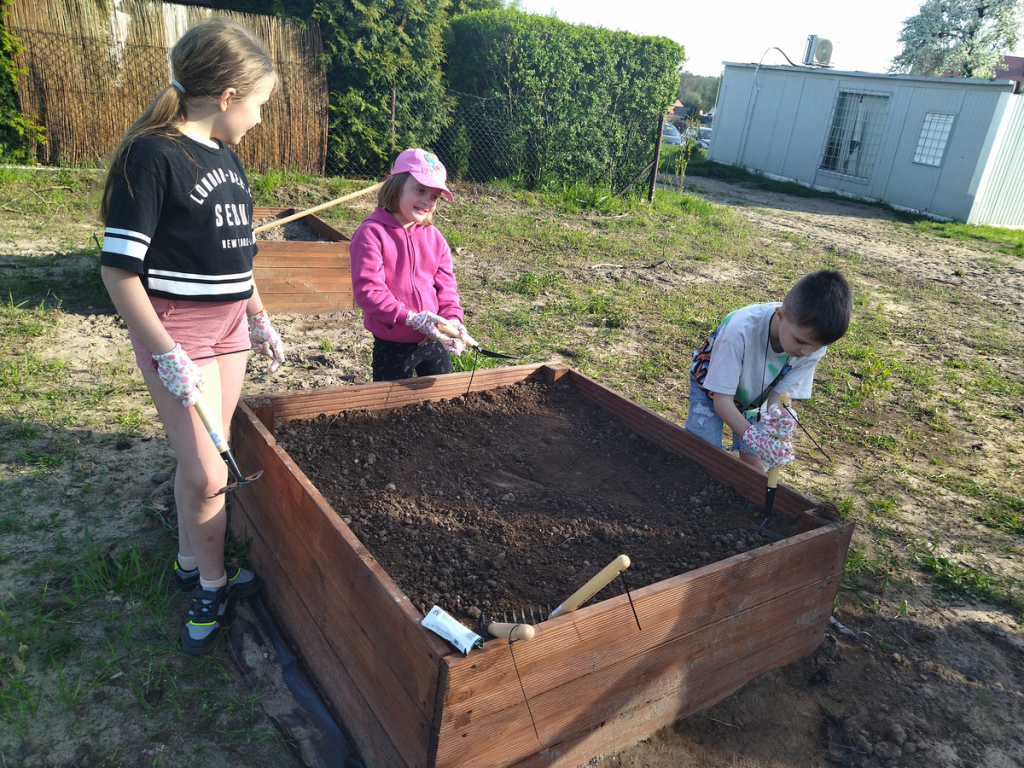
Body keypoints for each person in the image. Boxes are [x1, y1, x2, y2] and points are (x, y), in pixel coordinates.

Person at [99, 17, 286, 656]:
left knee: (203, 461)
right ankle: (213, 582)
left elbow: (239, 255)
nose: (261, 118)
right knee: (211, 476)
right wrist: (165, 352)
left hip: (230, 327)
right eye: (259, 103)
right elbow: (118, 272)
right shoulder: (152, 156)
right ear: (228, 96)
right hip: (176, 330)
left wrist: (258, 315)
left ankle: (188, 558)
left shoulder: (227, 158)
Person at [685, 270, 853, 472]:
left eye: (816, 347)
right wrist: (753, 436)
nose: (807, 353)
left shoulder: (811, 345)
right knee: (703, 454)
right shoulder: (739, 333)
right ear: (780, 315)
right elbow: (722, 402)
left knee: (756, 460)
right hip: (711, 390)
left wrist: (780, 416)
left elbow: (779, 397)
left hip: (758, 396)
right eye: (800, 341)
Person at [349, 148, 476, 382]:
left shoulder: (435, 238)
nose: (426, 201)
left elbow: (446, 288)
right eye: (420, 190)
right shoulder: (370, 234)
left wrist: (452, 320)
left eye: (434, 196)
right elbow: (369, 292)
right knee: (390, 406)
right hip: (394, 342)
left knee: (441, 399)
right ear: (397, 185)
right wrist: (408, 317)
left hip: (434, 338)